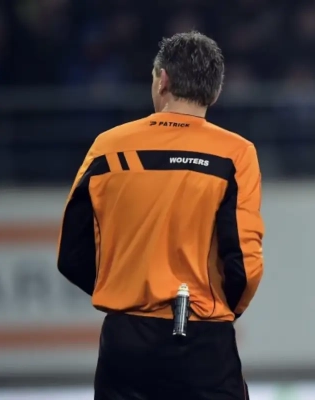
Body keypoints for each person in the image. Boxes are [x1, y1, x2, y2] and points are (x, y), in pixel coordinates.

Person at [57, 31, 264, 400]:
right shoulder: (235, 153)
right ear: (215, 91)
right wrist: (216, 311)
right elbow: (245, 265)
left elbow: (72, 254)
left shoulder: (107, 148)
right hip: (203, 339)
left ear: (162, 80)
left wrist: (125, 291)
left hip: (124, 343)